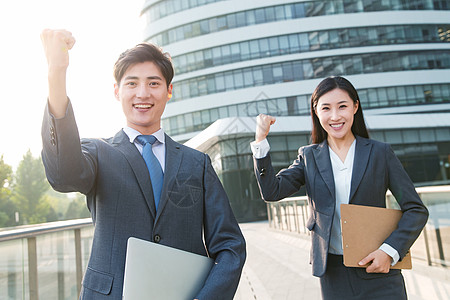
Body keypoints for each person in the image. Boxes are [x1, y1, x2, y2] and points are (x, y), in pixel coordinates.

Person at [40, 29, 246, 300]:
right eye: (132, 83)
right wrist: (57, 73)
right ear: (117, 91)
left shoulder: (198, 163)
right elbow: (63, 175)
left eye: (153, 83)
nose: (142, 93)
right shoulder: (98, 153)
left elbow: (230, 245)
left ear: (169, 90)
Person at [251, 76, 428, 299]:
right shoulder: (309, 157)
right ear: (316, 112)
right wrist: (260, 140)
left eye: (342, 106)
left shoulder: (380, 153)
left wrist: (389, 251)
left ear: (355, 107)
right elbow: (271, 191)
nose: (335, 116)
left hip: (379, 269)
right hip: (333, 275)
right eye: (326, 108)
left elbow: (415, 209)